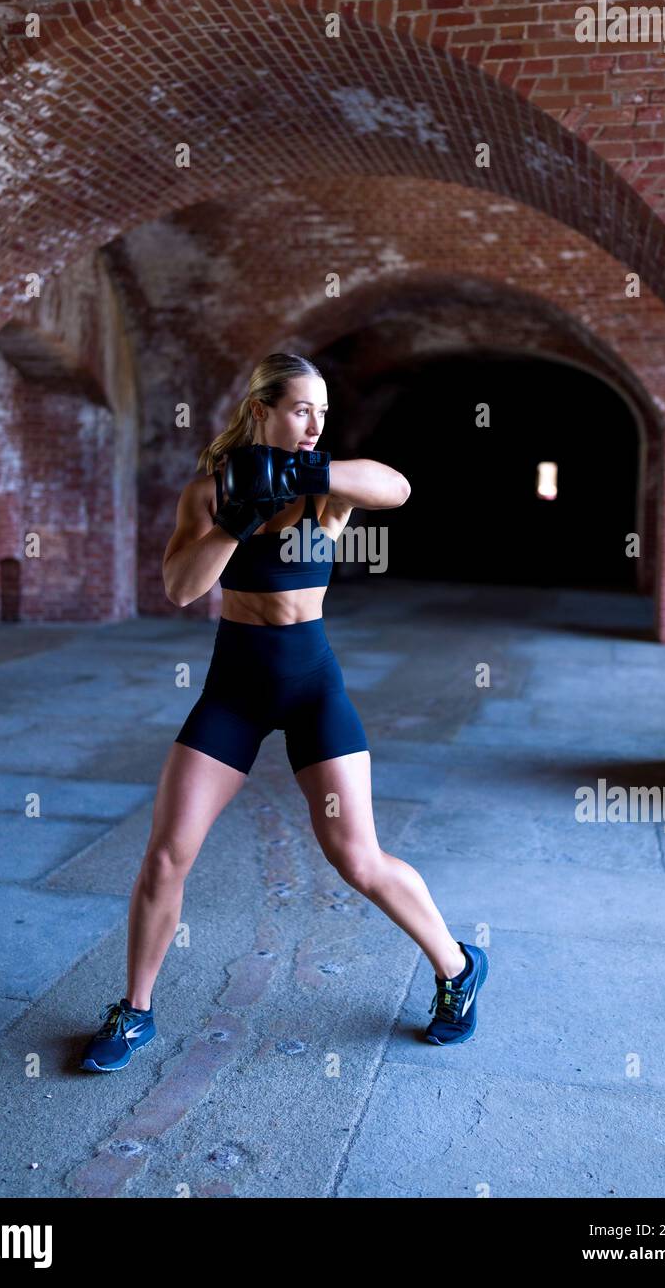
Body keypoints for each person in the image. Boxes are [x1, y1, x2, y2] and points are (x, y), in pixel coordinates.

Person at [80, 352, 488, 1071]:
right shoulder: (207, 494)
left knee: (356, 858)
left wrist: (302, 473)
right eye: (301, 409)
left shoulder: (325, 493)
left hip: (311, 689)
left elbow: (397, 487)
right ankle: (135, 1011)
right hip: (233, 690)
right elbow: (179, 587)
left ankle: (458, 966)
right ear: (261, 408)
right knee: (167, 853)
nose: (313, 423)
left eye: (322, 412)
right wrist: (238, 519)